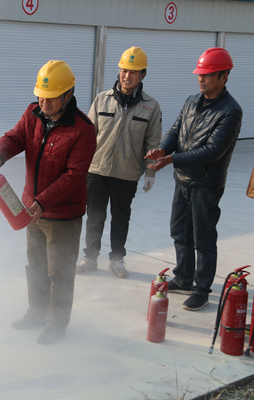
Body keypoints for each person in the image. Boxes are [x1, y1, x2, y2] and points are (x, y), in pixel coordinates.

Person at [0, 60, 96, 344]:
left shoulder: (83, 129)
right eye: (41, 96)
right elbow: (15, 137)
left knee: (59, 272)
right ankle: (35, 313)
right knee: (35, 267)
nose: (44, 102)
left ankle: (56, 324)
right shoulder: (33, 112)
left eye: (51, 97)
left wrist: (43, 202)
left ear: (68, 95)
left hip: (62, 216)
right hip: (31, 210)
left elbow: (74, 175)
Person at [145, 47, 242, 311]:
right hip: (183, 180)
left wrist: (172, 159)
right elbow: (176, 130)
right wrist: (163, 149)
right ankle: (184, 278)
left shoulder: (231, 111)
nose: (201, 79)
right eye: (200, 74)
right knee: (179, 232)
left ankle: (201, 289)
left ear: (224, 77)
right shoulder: (191, 101)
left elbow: (213, 151)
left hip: (206, 185)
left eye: (208, 75)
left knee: (204, 239)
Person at [76, 47, 162, 279]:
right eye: (124, 70)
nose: (127, 76)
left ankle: (117, 259)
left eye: (133, 72)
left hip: (127, 173)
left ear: (142, 75)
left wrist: (151, 172)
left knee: (121, 218)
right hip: (97, 170)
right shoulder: (102, 100)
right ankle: (90, 257)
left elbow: (153, 142)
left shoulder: (151, 106)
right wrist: (80, 166)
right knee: (94, 216)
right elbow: (87, 136)